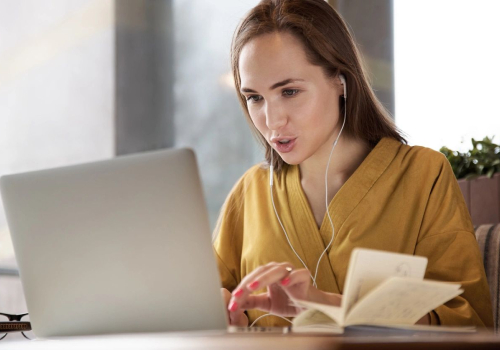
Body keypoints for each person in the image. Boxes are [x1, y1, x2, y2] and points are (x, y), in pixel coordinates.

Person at [213, 0, 493, 328]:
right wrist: (225, 318)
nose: (271, 120)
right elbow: (207, 304)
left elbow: (470, 324)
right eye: (254, 98)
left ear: (341, 80)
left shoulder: (422, 175)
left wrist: (327, 305)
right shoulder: (250, 192)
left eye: (289, 92)